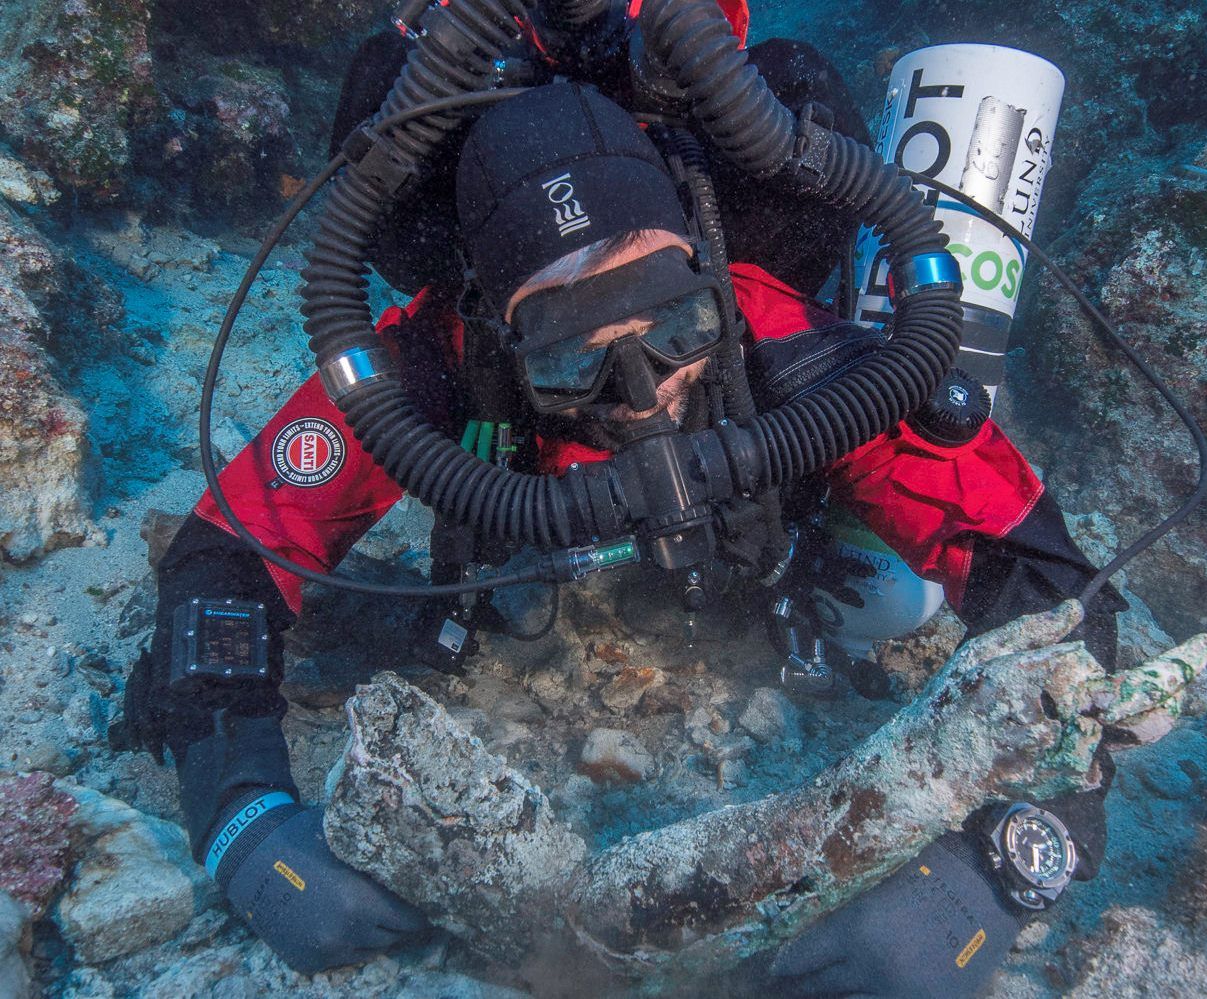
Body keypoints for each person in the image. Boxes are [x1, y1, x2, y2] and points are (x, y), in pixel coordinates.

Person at [114, 14, 1126, 995]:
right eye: (572, 359)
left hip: (786, 561)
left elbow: (1058, 590)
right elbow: (227, 552)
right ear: (495, 328)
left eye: (677, 326)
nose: (646, 398)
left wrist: (1004, 864)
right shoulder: (427, 361)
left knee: (900, 601)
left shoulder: (795, 346)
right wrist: (240, 817)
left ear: (707, 273)